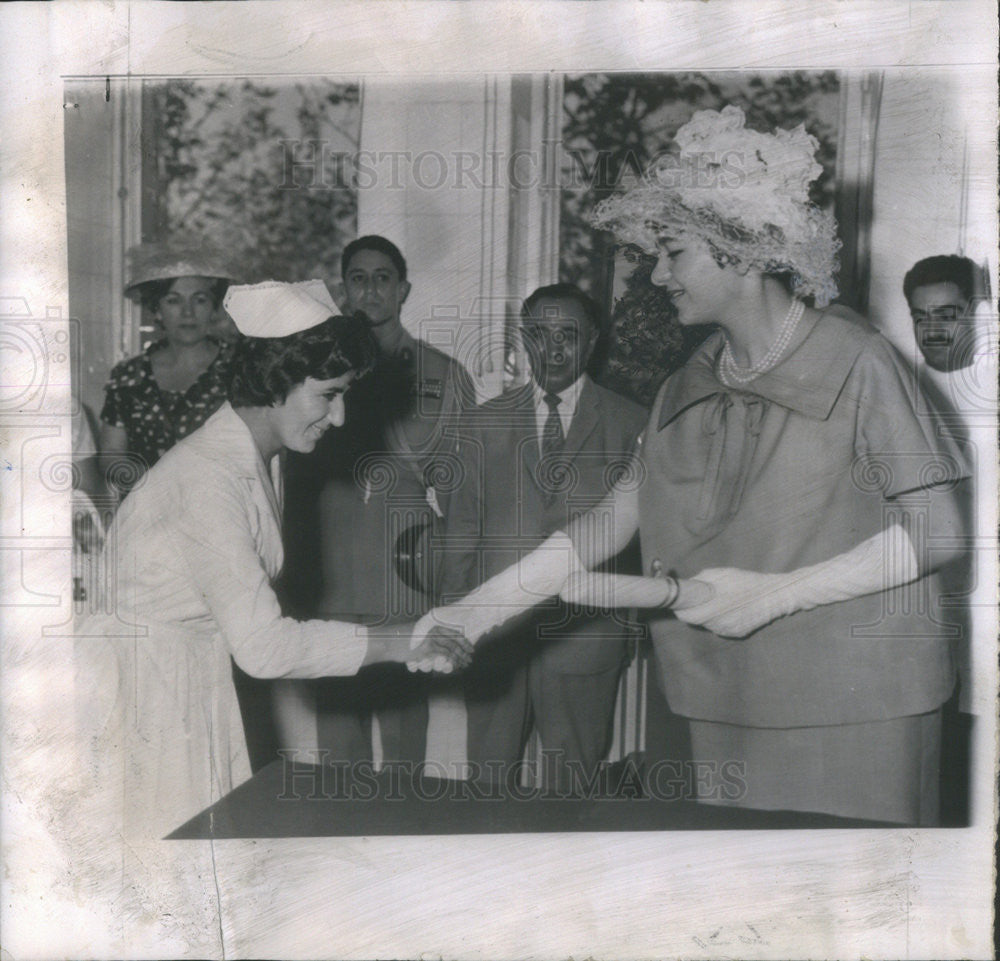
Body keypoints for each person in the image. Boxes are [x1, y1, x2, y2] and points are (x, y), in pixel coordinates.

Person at [416, 106, 968, 826]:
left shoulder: (857, 359)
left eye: (673, 250)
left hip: (857, 704)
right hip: (725, 699)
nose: (656, 272)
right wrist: (470, 613)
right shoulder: (687, 382)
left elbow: (939, 533)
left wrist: (773, 596)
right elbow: (606, 524)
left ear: (738, 250)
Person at [75, 280, 472, 839]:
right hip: (144, 692)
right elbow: (263, 647)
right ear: (275, 382)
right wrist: (402, 639)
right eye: (328, 395)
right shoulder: (210, 477)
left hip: (188, 676)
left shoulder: (261, 453)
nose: (338, 418)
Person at [440, 283, 646, 789]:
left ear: (593, 341)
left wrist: (630, 624)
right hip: (495, 640)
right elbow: (462, 530)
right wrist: (454, 619)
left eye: (567, 336)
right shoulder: (482, 423)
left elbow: (642, 542)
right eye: (538, 335)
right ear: (521, 340)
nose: (552, 350)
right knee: (486, 789)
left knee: (570, 794)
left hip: (584, 638)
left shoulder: (631, 424)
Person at [280, 236, 476, 767]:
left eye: (383, 278)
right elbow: (289, 482)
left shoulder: (442, 374)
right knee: (339, 747)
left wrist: (456, 590)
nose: (370, 289)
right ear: (344, 288)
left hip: (405, 573)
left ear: (403, 289)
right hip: (331, 572)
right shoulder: (314, 373)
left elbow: (461, 497)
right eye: (359, 278)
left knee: (405, 743)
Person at [99, 236, 239, 495]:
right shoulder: (128, 375)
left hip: (220, 510)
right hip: (145, 515)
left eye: (199, 300)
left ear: (214, 308)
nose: (188, 312)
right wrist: (154, 483)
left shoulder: (240, 370)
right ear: (157, 310)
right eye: (173, 300)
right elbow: (110, 456)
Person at [903, 254, 982, 373]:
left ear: (976, 315)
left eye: (946, 317)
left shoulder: (991, 383)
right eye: (920, 318)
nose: (932, 333)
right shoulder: (904, 384)